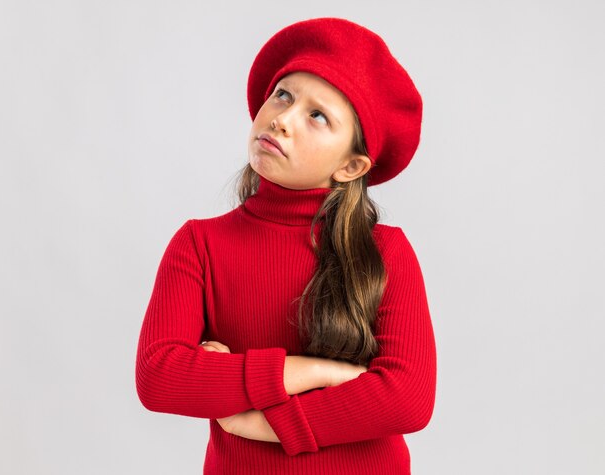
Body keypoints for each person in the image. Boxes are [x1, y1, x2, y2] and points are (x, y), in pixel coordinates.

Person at [135, 17, 437, 475]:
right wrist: (319, 372)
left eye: (317, 116)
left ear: (351, 166)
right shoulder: (199, 244)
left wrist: (256, 420)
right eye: (283, 95)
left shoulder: (384, 251)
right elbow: (159, 377)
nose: (282, 119)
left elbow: (408, 399)